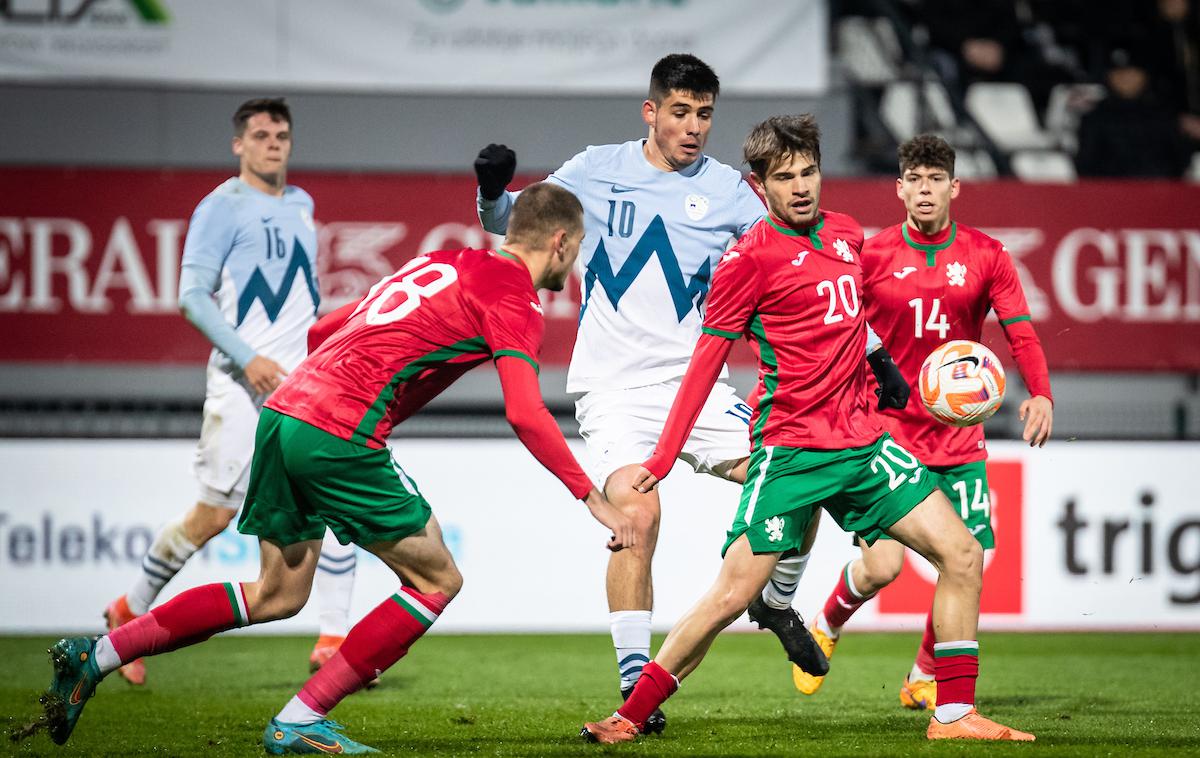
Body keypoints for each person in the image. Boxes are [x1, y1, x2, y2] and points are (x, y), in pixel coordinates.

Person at [27, 182, 634, 754]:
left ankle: (97, 654)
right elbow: (527, 413)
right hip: (338, 430)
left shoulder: (445, 261)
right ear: (560, 241)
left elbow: (326, 329)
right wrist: (593, 498)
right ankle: (299, 721)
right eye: (575, 250)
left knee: (275, 594)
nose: (572, 264)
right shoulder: (513, 295)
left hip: (284, 412)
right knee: (436, 581)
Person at [474, 54, 906, 728]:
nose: (694, 126)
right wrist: (490, 191)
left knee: (797, 475)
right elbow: (514, 226)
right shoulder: (594, 169)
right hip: (614, 391)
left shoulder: (735, 193)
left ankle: (775, 600)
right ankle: (632, 691)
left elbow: (808, 269)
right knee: (638, 519)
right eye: (680, 112)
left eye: (704, 113)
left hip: (698, 390)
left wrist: (875, 355)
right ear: (651, 112)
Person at [581, 115, 1035, 744]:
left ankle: (954, 715)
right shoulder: (747, 261)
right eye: (785, 177)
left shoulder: (847, 234)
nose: (801, 187)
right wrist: (662, 456)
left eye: (809, 172)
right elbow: (704, 366)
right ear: (759, 185)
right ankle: (628, 715)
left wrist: (881, 366)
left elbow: (854, 321)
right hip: (792, 452)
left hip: (865, 445)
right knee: (732, 594)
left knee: (962, 554)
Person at [101, 98, 362, 687]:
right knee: (213, 516)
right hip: (242, 388)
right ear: (238, 144)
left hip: (302, 388)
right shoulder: (219, 208)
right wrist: (251, 360)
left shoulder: (301, 204)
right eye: (262, 134)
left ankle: (333, 638)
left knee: (332, 501)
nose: (274, 143)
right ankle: (126, 609)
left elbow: (302, 298)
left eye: (282, 134)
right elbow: (192, 296)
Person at [792, 134, 1053, 710]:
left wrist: (1041, 393)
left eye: (937, 179)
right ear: (900, 189)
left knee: (971, 558)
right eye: (916, 178)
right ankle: (828, 623)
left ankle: (923, 674)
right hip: (886, 433)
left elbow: (1020, 331)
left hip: (958, 438)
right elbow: (839, 328)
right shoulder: (871, 255)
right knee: (884, 566)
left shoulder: (987, 255)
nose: (926, 189)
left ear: (954, 188)